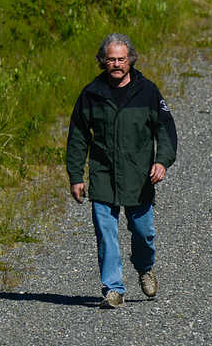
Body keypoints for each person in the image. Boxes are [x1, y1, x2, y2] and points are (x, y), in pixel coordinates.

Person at [66, 33, 178, 309]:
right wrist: (76, 177)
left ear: (130, 60)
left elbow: (166, 131)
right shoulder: (91, 94)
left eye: (121, 59)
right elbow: (78, 137)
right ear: (102, 61)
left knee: (143, 233)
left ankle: (144, 267)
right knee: (106, 233)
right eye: (111, 59)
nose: (116, 64)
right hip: (103, 174)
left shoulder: (148, 92)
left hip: (139, 176)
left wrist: (161, 161)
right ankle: (113, 289)